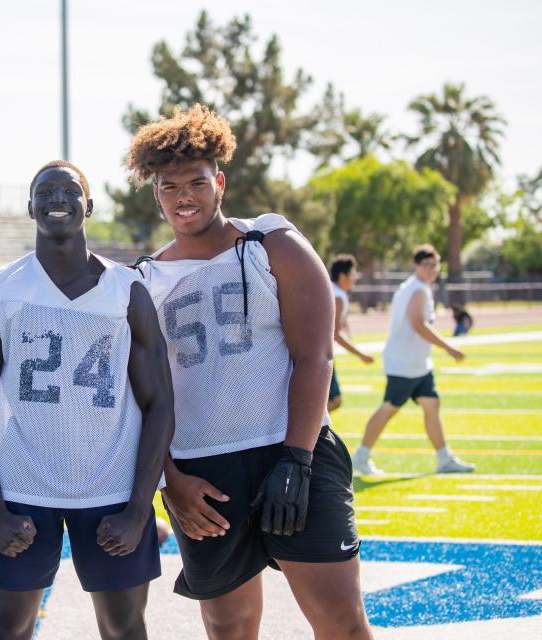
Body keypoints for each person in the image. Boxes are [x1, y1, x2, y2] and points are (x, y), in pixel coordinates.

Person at [129, 105, 372, 640]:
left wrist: (297, 459)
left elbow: (315, 357)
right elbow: (143, 396)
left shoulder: (271, 244)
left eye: (196, 182)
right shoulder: (143, 281)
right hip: (203, 473)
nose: (184, 196)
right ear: (156, 193)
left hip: (292, 450)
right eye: (170, 187)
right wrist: (170, 481)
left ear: (220, 181)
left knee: (342, 624)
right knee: (229, 628)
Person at [0, 160, 174, 640]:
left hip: (110, 488)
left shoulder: (127, 290)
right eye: (45, 191)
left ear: (89, 205)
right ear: (30, 206)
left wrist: (139, 509)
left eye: (70, 190)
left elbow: (159, 402)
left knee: (124, 628)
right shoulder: (0, 290)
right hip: (22, 487)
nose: (58, 199)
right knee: (7, 627)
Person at [353, 245, 474, 475]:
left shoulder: (418, 288)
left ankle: (444, 458)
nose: (431, 269)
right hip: (405, 364)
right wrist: (449, 347)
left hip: (418, 364)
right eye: (426, 265)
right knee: (389, 408)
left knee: (431, 404)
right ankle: (361, 455)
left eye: (434, 264)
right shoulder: (418, 290)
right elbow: (419, 324)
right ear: (417, 266)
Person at [327, 254, 374, 412]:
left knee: (329, 402)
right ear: (343, 276)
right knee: (333, 401)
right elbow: (334, 333)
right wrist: (360, 354)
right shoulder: (338, 296)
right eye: (353, 273)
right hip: (319, 353)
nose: (356, 277)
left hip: (315, 351)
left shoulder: (333, 291)